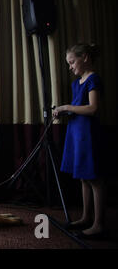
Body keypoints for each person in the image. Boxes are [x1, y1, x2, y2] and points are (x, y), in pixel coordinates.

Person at [53, 43, 106, 239]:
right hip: (76, 132)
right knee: (83, 176)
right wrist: (64, 110)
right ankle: (85, 217)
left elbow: (92, 108)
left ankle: (99, 224)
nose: (70, 67)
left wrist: (67, 106)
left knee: (94, 179)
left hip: (88, 133)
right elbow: (77, 108)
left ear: (84, 57)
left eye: (72, 62)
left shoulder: (93, 79)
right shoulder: (76, 83)